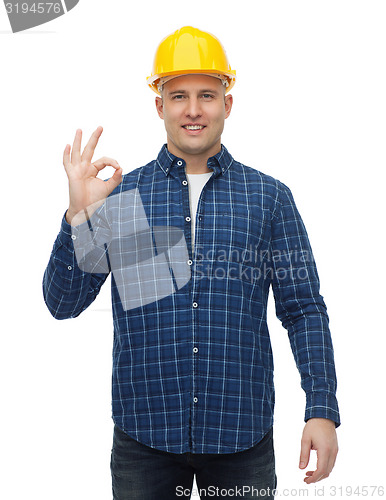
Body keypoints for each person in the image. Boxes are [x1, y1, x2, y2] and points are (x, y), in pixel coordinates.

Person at [43, 26, 340, 499]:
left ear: (228, 102)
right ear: (159, 105)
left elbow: (303, 308)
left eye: (208, 94)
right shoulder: (124, 196)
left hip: (241, 439)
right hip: (145, 441)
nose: (194, 109)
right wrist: (79, 215)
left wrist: (321, 409)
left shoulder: (268, 198)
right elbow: (63, 303)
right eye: (178, 95)